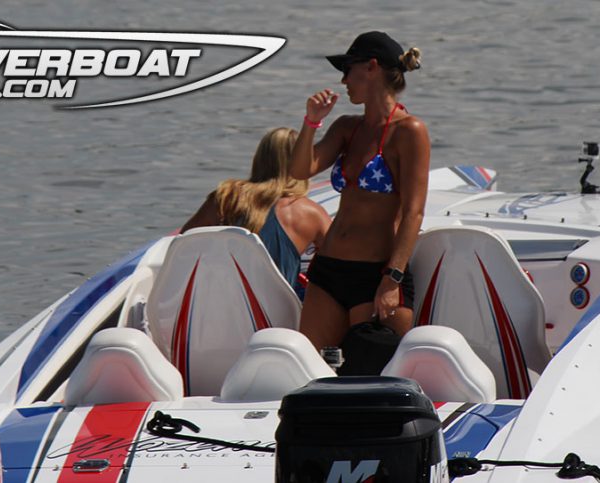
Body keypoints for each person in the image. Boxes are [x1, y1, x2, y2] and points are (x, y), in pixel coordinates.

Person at [290, 31, 430, 350]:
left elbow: (414, 212)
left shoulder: (410, 131)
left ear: (371, 67)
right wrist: (311, 123)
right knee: (312, 365)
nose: (343, 81)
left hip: (376, 274)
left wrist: (392, 279)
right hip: (328, 271)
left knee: (371, 368)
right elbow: (299, 171)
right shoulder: (346, 127)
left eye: (347, 69)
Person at [180, 127, 331, 288]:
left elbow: (183, 243)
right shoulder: (311, 213)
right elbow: (339, 263)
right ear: (303, 162)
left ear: (259, 158)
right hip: (277, 302)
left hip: (223, 295)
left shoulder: (227, 196)